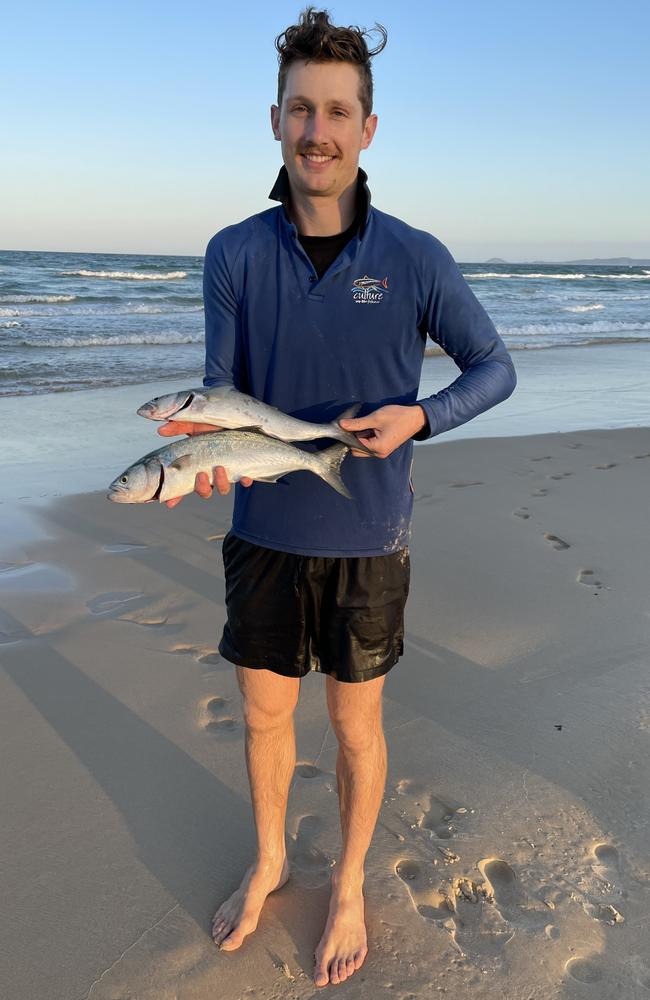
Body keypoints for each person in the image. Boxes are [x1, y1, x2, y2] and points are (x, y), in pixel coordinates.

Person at [159, 7, 516, 988]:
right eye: (299, 109)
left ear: (367, 128)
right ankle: (272, 856)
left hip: (368, 533)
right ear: (273, 119)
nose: (317, 130)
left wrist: (420, 418)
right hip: (264, 527)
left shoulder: (412, 255)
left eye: (336, 111)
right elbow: (219, 384)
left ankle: (349, 881)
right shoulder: (231, 252)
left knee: (355, 725)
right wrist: (208, 452)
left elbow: (491, 369)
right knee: (265, 716)